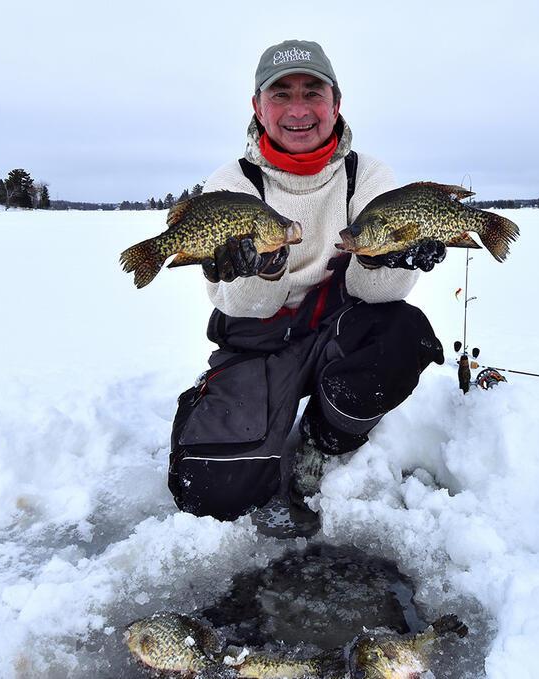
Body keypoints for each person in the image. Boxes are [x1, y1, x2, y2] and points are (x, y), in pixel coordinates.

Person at [168, 39, 445, 526]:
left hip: (337, 334)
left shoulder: (370, 176)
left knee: (403, 331)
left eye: (312, 92)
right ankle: (224, 407)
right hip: (257, 343)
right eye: (281, 94)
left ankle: (323, 437)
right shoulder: (232, 183)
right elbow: (245, 308)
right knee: (212, 496)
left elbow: (376, 295)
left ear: (336, 103)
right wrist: (265, 267)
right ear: (258, 107)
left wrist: (395, 258)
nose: (298, 110)